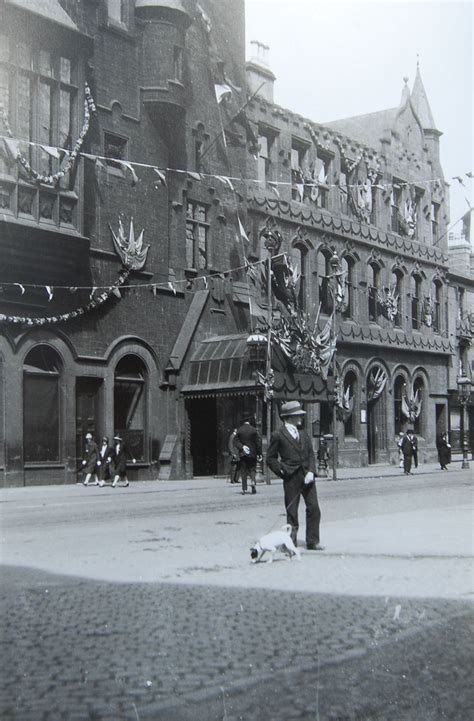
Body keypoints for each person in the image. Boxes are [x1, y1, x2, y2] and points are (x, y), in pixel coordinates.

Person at [266, 400, 323, 550]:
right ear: (289, 417)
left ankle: (312, 541)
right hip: (291, 477)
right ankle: (290, 544)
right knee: (292, 512)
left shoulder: (304, 434)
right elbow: (270, 459)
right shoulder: (278, 435)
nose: (301, 417)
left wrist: (311, 471)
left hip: (307, 476)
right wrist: (282, 471)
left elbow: (311, 454)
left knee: (314, 508)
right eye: (298, 415)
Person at [234, 416, 262, 495]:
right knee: (252, 469)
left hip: (243, 453)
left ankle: (244, 489)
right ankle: (253, 481)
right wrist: (259, 453)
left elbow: (235, 441)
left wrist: (241, 446)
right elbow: (258, 443)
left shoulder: (240, 430)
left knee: (243, 471)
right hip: (252, 453)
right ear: (250, 421)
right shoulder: (254, 430)